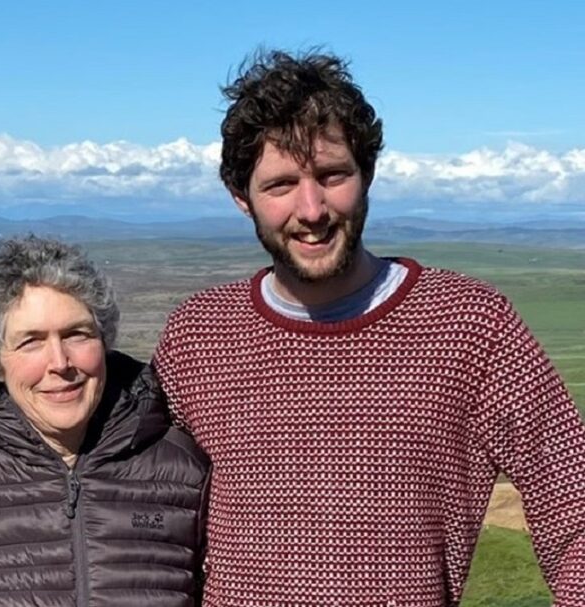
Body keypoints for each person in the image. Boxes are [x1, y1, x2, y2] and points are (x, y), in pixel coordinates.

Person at [152, 49, 585, 605]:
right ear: (242, 198)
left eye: (332, 175)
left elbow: (573, 508)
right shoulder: (198, 336)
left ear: (367, 176)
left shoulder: (470, 327)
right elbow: (127, 506)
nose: (311, 209)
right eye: (281, 185)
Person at [0, 235, 209, 606]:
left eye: (77, 334)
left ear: (104, 341)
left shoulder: (185, 470)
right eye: (31, 341)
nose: (60, 363)